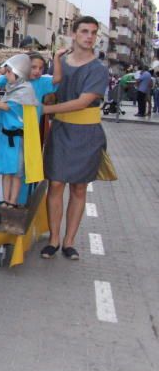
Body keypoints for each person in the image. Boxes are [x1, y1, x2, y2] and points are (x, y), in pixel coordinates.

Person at [41, 16, 113, 261]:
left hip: (86, 134)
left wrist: (45, 111)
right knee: (56, 184)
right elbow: (50, 92)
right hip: (61, 131)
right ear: (73, 34)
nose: (89, 36)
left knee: (79, 187)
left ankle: (69, 242)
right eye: (84, 31)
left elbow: (83, 102)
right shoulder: (59, 63)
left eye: (93, 32)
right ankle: (53, 239)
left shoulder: (98, 70)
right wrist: (44, 98)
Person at [0, 54, 44, 207]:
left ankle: (13, 201)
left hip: (17, 139)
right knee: (5, 170)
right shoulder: (12, 86)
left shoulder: (25, 89)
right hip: (6, 137)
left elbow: (7, 106)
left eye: (9, 72)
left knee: (16, 173)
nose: (6, 74)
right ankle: (5, 200)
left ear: (17, 74)